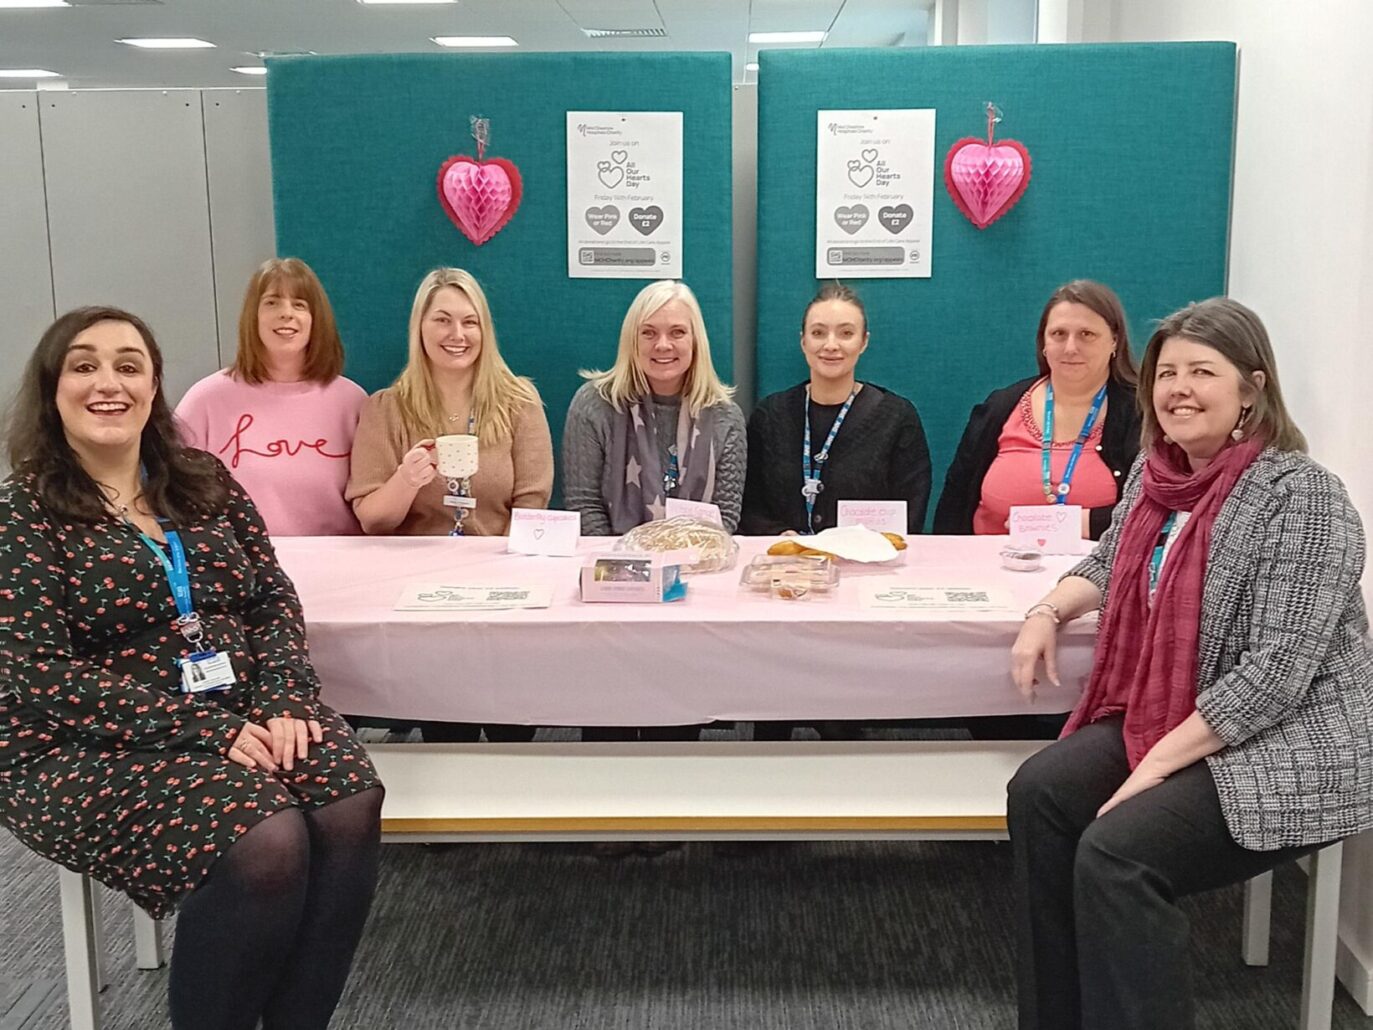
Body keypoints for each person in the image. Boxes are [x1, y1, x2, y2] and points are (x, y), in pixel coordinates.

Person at [0, 306, 384, 1030]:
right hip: (80, 742)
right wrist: (205, 730)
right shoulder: (23, 512)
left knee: (346, 799)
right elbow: (41, 676)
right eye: (84, 366)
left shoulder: (200, 479)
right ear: (52, 390)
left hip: (241, 709)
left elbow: (269, 595)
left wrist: (284, 699)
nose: (107, 382)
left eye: (128, 365)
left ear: (153, 388)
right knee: (265, 840)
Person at [1005, 297, 1373, 1030]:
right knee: (1040, 793)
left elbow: (1273, 675)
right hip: (1179, 709)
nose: (1177, 388)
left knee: (1117, 854)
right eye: (1166, 371)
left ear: (1251, 386)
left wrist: (1150, 770)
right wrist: (1047, 611)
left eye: (1201, 371)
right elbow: (1109, 562)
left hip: (1288, 743)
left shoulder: (1302, 496)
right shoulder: (1155, 473)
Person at [347, 267, 552, 743]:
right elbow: (372, 520)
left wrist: (498, 576)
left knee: (511, 731)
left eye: (470, 321)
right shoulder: (385, 408)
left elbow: (532, 504)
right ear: (420, 326)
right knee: (446, 731)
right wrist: (405, 479)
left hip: (504, 590)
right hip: (422, 597)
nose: (457, 335)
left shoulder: (520, 403)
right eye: (442, 320)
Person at [934, 280, 1141, 540]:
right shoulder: (1000, 407)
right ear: (1043, 342)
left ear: (1114, 341)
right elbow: (954, 504)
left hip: (1095, 575)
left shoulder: (1142, 413)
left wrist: (1084, 523)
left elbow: (1156, 514)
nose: (1071, 347)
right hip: (991, 571)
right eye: (1059, 334)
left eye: (1087, 334)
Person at [175, 257, 367, 536]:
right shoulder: (205, 399)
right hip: (241, 566)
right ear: (253, 316)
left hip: (339, 565)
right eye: (272, 302)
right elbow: (170, 491)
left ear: (317, 319)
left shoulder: (352, 401)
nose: (286, 313)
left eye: (299, 304)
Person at [740, 281, 931, 536]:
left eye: (846, 333)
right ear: (803, 341)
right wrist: (779, 534)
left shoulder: (897, 417)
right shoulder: (770, 416)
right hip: (786, 565)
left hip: (866, 568)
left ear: (864, 342)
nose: (831, 345)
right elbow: (749, 504)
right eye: (818, 333)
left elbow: (911, 511)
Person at [562, 279, 747, 537]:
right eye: (648, 332)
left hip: (698, 561)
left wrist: (682, 560)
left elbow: (725, 516)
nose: (662, 345)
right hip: (614, 564)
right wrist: (628, 565)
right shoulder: (594, 404)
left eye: (677, 332)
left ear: (695, 341)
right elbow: (584, 505)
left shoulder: (725, 416)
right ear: (631, 340)